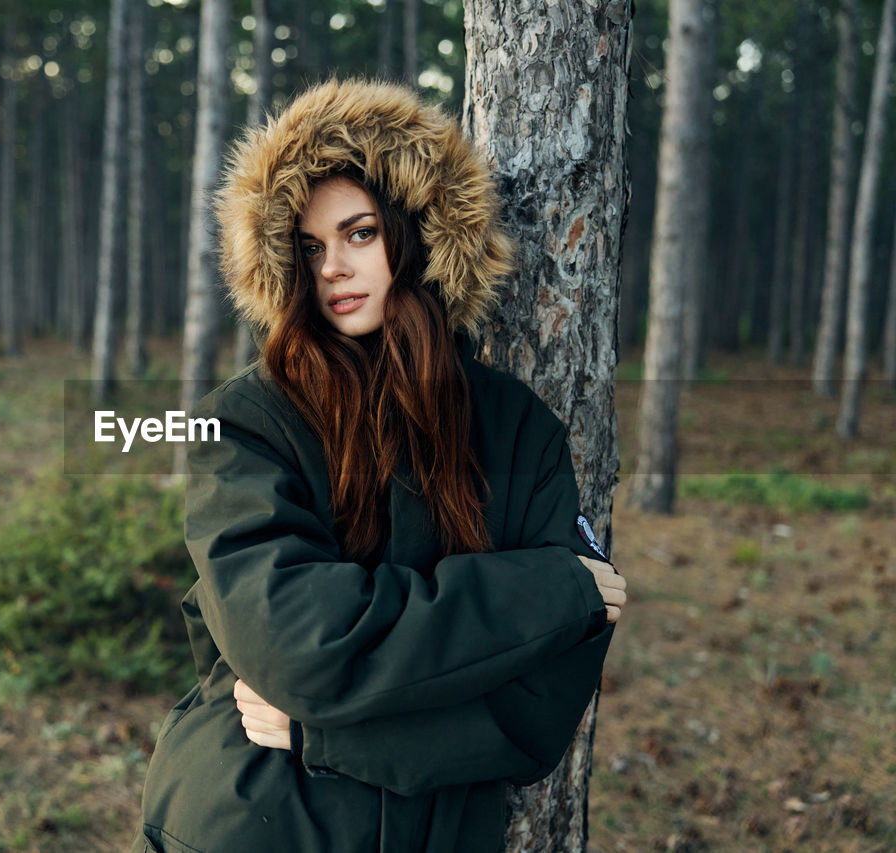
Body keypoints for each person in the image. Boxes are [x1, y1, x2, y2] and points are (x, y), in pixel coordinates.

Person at [131, 77, 627, 853]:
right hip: (255, 821)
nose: (332, 267)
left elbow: (538, 710)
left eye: (360, 233)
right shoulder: (251, 421)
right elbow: (300, 644)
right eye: (311, 245)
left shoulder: (516, 427)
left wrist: (323, 733)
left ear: (417, 234)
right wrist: (549, 588)